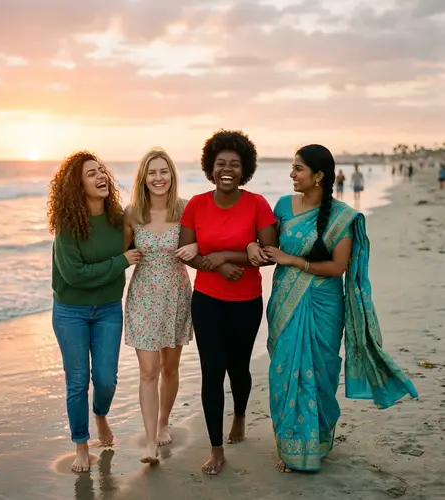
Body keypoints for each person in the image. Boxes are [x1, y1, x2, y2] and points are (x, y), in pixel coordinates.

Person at [247, 144, 418, 473]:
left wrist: (293, 260)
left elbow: (338, 267)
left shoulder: (343, 217)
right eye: (292, 168)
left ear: (319, 176)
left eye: (298, 168)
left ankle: (317, 444)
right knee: (285, 369)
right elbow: (263, 243)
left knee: (322, 375)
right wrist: (251, 246)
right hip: (285, 302)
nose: (291, 174)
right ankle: (292, 446)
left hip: (325, 304)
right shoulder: (283, 205)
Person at [178, 129, 277, 475]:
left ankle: (239, 415)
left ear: (244, 168)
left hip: (246, 302)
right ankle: (216, 448)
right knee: (211, 372)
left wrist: (223, 255)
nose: (227, 169)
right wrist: (215, 263)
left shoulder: (257, 204)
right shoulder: (196, 205)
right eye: (221, 163)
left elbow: (268, 254)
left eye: (235, 164)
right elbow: (188, 253)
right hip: (206, 300)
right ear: (211, 167)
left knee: (239, 368)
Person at [48, 151, 141, 473]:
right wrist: (119, 263)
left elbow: (146, 242)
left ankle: (101, 414)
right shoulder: (67, 226)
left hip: (108, 310)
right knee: (77, 382)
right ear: (77, 185)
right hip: (70, 312)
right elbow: (74, 274)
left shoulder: (118, 220)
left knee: (106, 379)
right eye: (91, 173)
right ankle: (81, 445)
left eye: (102, 170)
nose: (101, 176)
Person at [123, 147, 196, 465]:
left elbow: (202, 245)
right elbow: (120, 251)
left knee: (170, 368)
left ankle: (164, 421)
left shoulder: (186, 209)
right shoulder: (132, 212)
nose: (158, 178)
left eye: (163, 171)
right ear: (143, 177)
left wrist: (195, 245)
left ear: (172, 175)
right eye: (151, 172)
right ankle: (151, 441)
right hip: (142, 297)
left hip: (176, 295)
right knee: (149, 371)